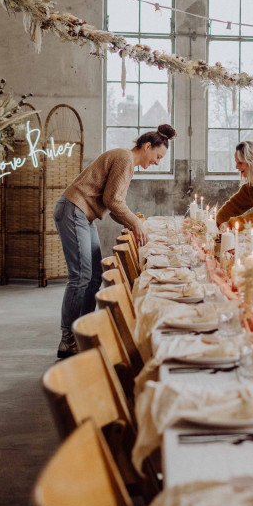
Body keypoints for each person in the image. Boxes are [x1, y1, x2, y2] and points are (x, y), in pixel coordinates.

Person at [54, 124, 176, 359]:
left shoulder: (126, 160)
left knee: (93, 277)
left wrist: (132, 222)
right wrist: (136, 223)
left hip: (83, 214)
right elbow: (113, 200)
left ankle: (83, 332)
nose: (157, 162)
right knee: (81, 276)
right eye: (158, 156)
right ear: (147, 146)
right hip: (73, 210)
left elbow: (113, 201)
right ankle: (67, 338)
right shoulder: (125, 158)